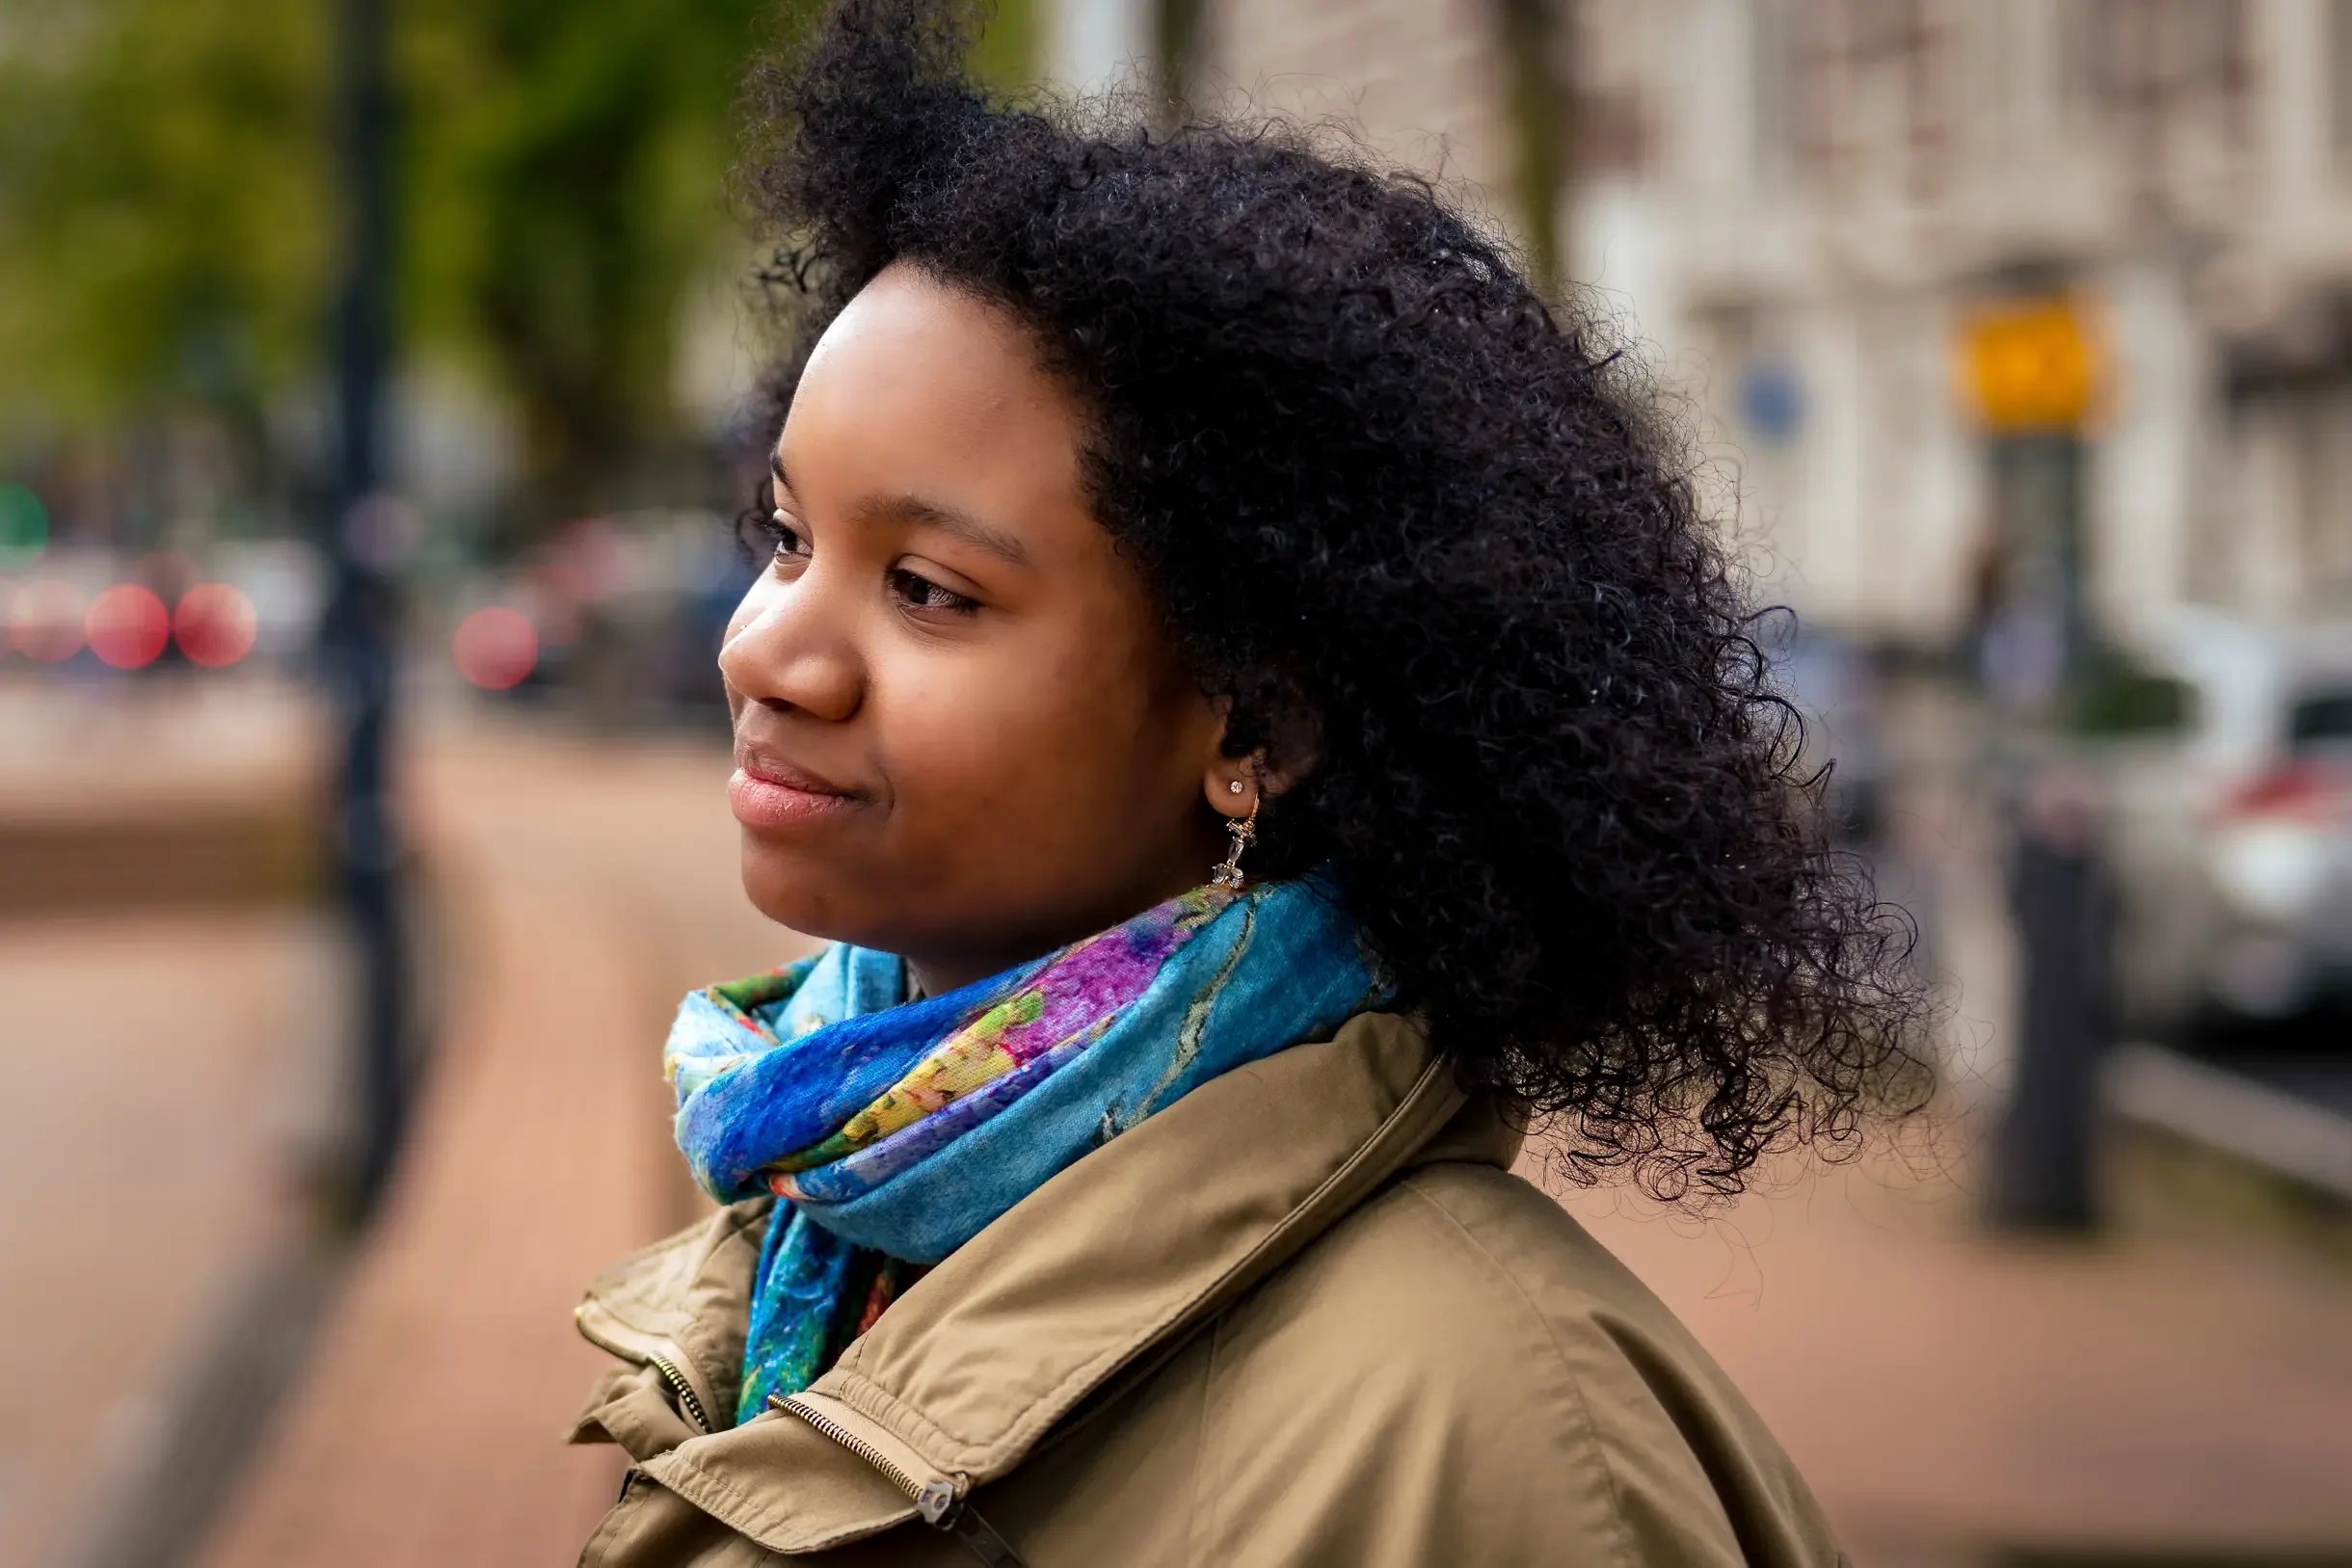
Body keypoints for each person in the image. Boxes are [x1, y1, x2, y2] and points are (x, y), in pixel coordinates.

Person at [569, 3, 1930, 1562]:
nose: (767, 652)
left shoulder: (1488, 1431)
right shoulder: (826, 1202)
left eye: (930, 588)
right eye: (792, 538)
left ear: (1253, 729)